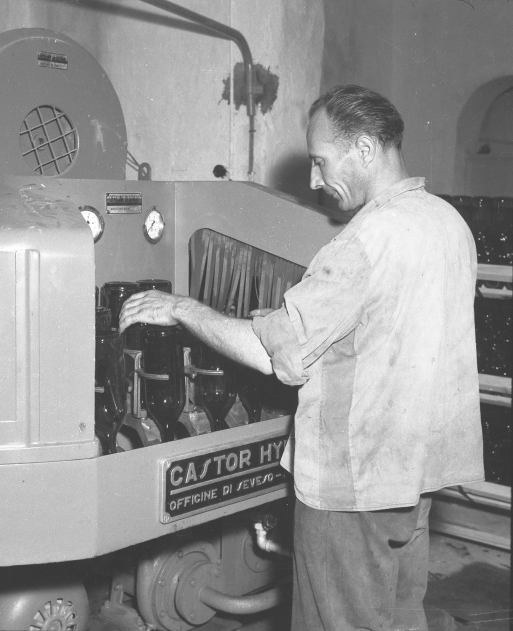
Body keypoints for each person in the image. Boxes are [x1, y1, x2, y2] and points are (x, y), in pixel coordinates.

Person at [119, 85, 484, 630]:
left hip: (351, 490)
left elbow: (268, 355)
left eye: (320, 161)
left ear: (364, 148)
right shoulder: (446, 222)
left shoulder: (363, 241)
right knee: (399, 617)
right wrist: (295, 318)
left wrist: (182, 309)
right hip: (412, 477)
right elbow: (393, 327)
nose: (313, 180)